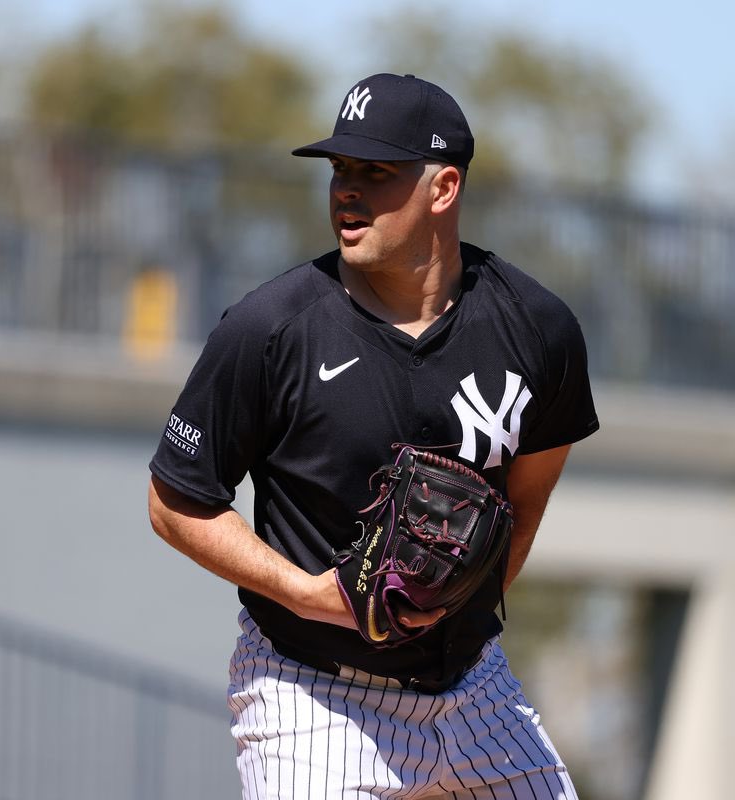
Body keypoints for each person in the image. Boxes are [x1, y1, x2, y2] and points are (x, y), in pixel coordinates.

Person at [148, 72, 599, 799]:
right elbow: (175, 502)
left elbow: (529, 501)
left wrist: (453, 609)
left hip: (476, 692)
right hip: (312, 694)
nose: (346, 190)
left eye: (375, 172)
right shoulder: (271, 329)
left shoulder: (538, 330)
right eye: (340, 170)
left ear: (443, 188)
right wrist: (307, 593)